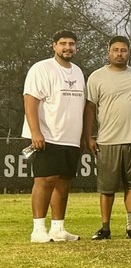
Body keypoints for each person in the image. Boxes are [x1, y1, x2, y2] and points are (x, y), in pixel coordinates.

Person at [23, 30, 87, 243]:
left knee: (63, 183)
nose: (67, 47)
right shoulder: (42, 68)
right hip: (47, 135)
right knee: (45, 180)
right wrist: (35, 132)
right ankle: (38, 229)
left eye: (71, 44)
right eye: (63, 44)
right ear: (54, 46)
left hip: (70, 138)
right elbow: (30, 100)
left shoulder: (78, 71)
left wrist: (82, 136)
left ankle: (58, 228)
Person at [84, 36, 131, 240]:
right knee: (107, 187)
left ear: (129, 52)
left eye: (123, 50)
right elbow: (90, 108)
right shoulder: (96, 77)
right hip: (107, 139)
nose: (119, 53)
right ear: (108, 52)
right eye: (115, 50)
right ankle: (105, 228)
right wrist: (89, 136)